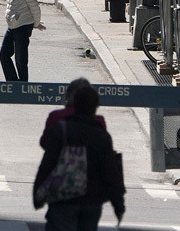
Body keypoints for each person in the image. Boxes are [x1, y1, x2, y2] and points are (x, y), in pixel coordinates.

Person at [33, 87, 125, 231]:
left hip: (63, 199)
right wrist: (118, 204)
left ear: (73, 104)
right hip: (91, 201)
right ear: (95, 107)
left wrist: (38, 194)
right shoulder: (101, 135)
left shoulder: (61, 129)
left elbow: (47, 164)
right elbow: (110, 172)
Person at [1, 0, 45, 82]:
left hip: (22, 26)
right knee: (4, 55)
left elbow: (34, 6)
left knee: (20, 60)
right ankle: (14, 84)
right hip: (12, 25)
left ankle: (23, 86)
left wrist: (36, 23)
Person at [39, 78, 106, 150]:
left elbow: (44, 142)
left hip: (59, 156)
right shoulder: (98, 121)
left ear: (67, 96)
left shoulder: (55, 116)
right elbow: (103, 146)